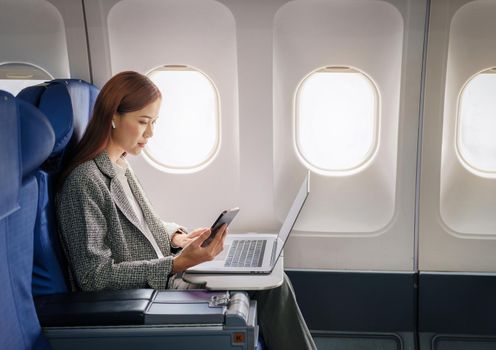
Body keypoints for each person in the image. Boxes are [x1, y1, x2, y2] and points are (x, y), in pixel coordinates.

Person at [56, 71, 316, 350]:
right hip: (147, 296)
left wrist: (178, 238)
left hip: (167, 271)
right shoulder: (84, 182)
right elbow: (94, 277)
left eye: (154, 122)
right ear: (113, 117)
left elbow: (145, 224)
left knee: (269, 279)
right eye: (143, 122)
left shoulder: (121, 164)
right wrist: (177, 263)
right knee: (272, 288)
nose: (151, 133)